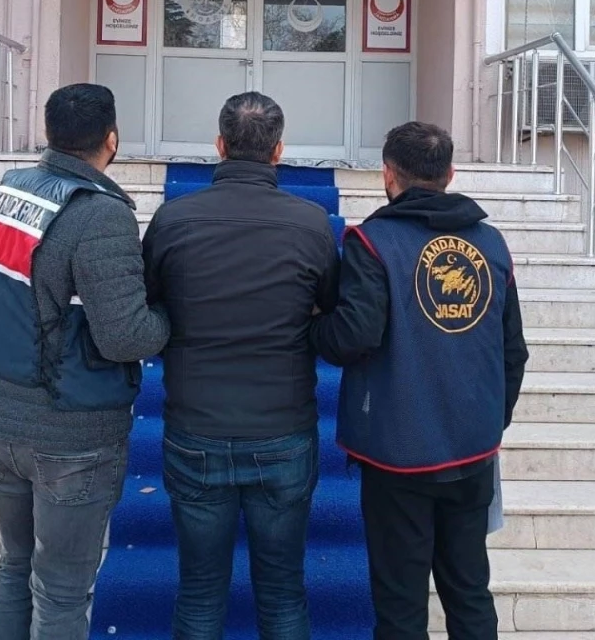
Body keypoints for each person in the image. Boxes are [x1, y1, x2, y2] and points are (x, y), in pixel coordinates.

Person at [311, 121, 529, 640]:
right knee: (469, 591)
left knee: (401, 605)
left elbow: (352, 338)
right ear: (450, 174)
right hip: (473, 449)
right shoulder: (491, 244)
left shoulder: (372, 242)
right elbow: (513, 350)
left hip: (398, 452)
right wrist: (490, 422)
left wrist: (316, 323)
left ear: (388, 174)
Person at [0, 83, 170, 640]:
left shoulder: (7, 194)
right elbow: (126, 338)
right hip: (69, 435)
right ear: (112, 139)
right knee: (61, 593)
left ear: (49, 133)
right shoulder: (99, 214)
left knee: (14, 568)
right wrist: (170, 316)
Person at [142, 91, 340, 640]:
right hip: (283, 429)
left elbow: (146, 306)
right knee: (283, 594)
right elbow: (329, 308)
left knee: (199, 592)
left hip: (196, 427)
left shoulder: (173, 218)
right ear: (278, 151)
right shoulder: (312, 223)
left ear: (220, 145)